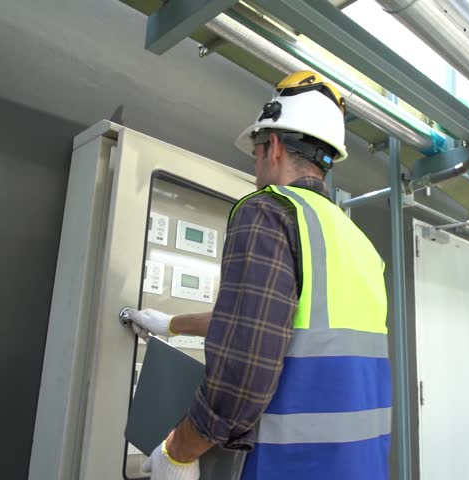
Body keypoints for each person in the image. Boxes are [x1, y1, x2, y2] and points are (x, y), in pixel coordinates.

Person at [124, 70, 391, 480]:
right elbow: (277, 324)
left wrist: (179, 450)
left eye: (256, 151)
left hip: (287, 466)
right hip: (360, 465)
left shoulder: (267, 211)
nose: (255, 165)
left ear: (276, 147)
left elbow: (246, 366)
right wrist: (171, 325)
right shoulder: (356, 242)